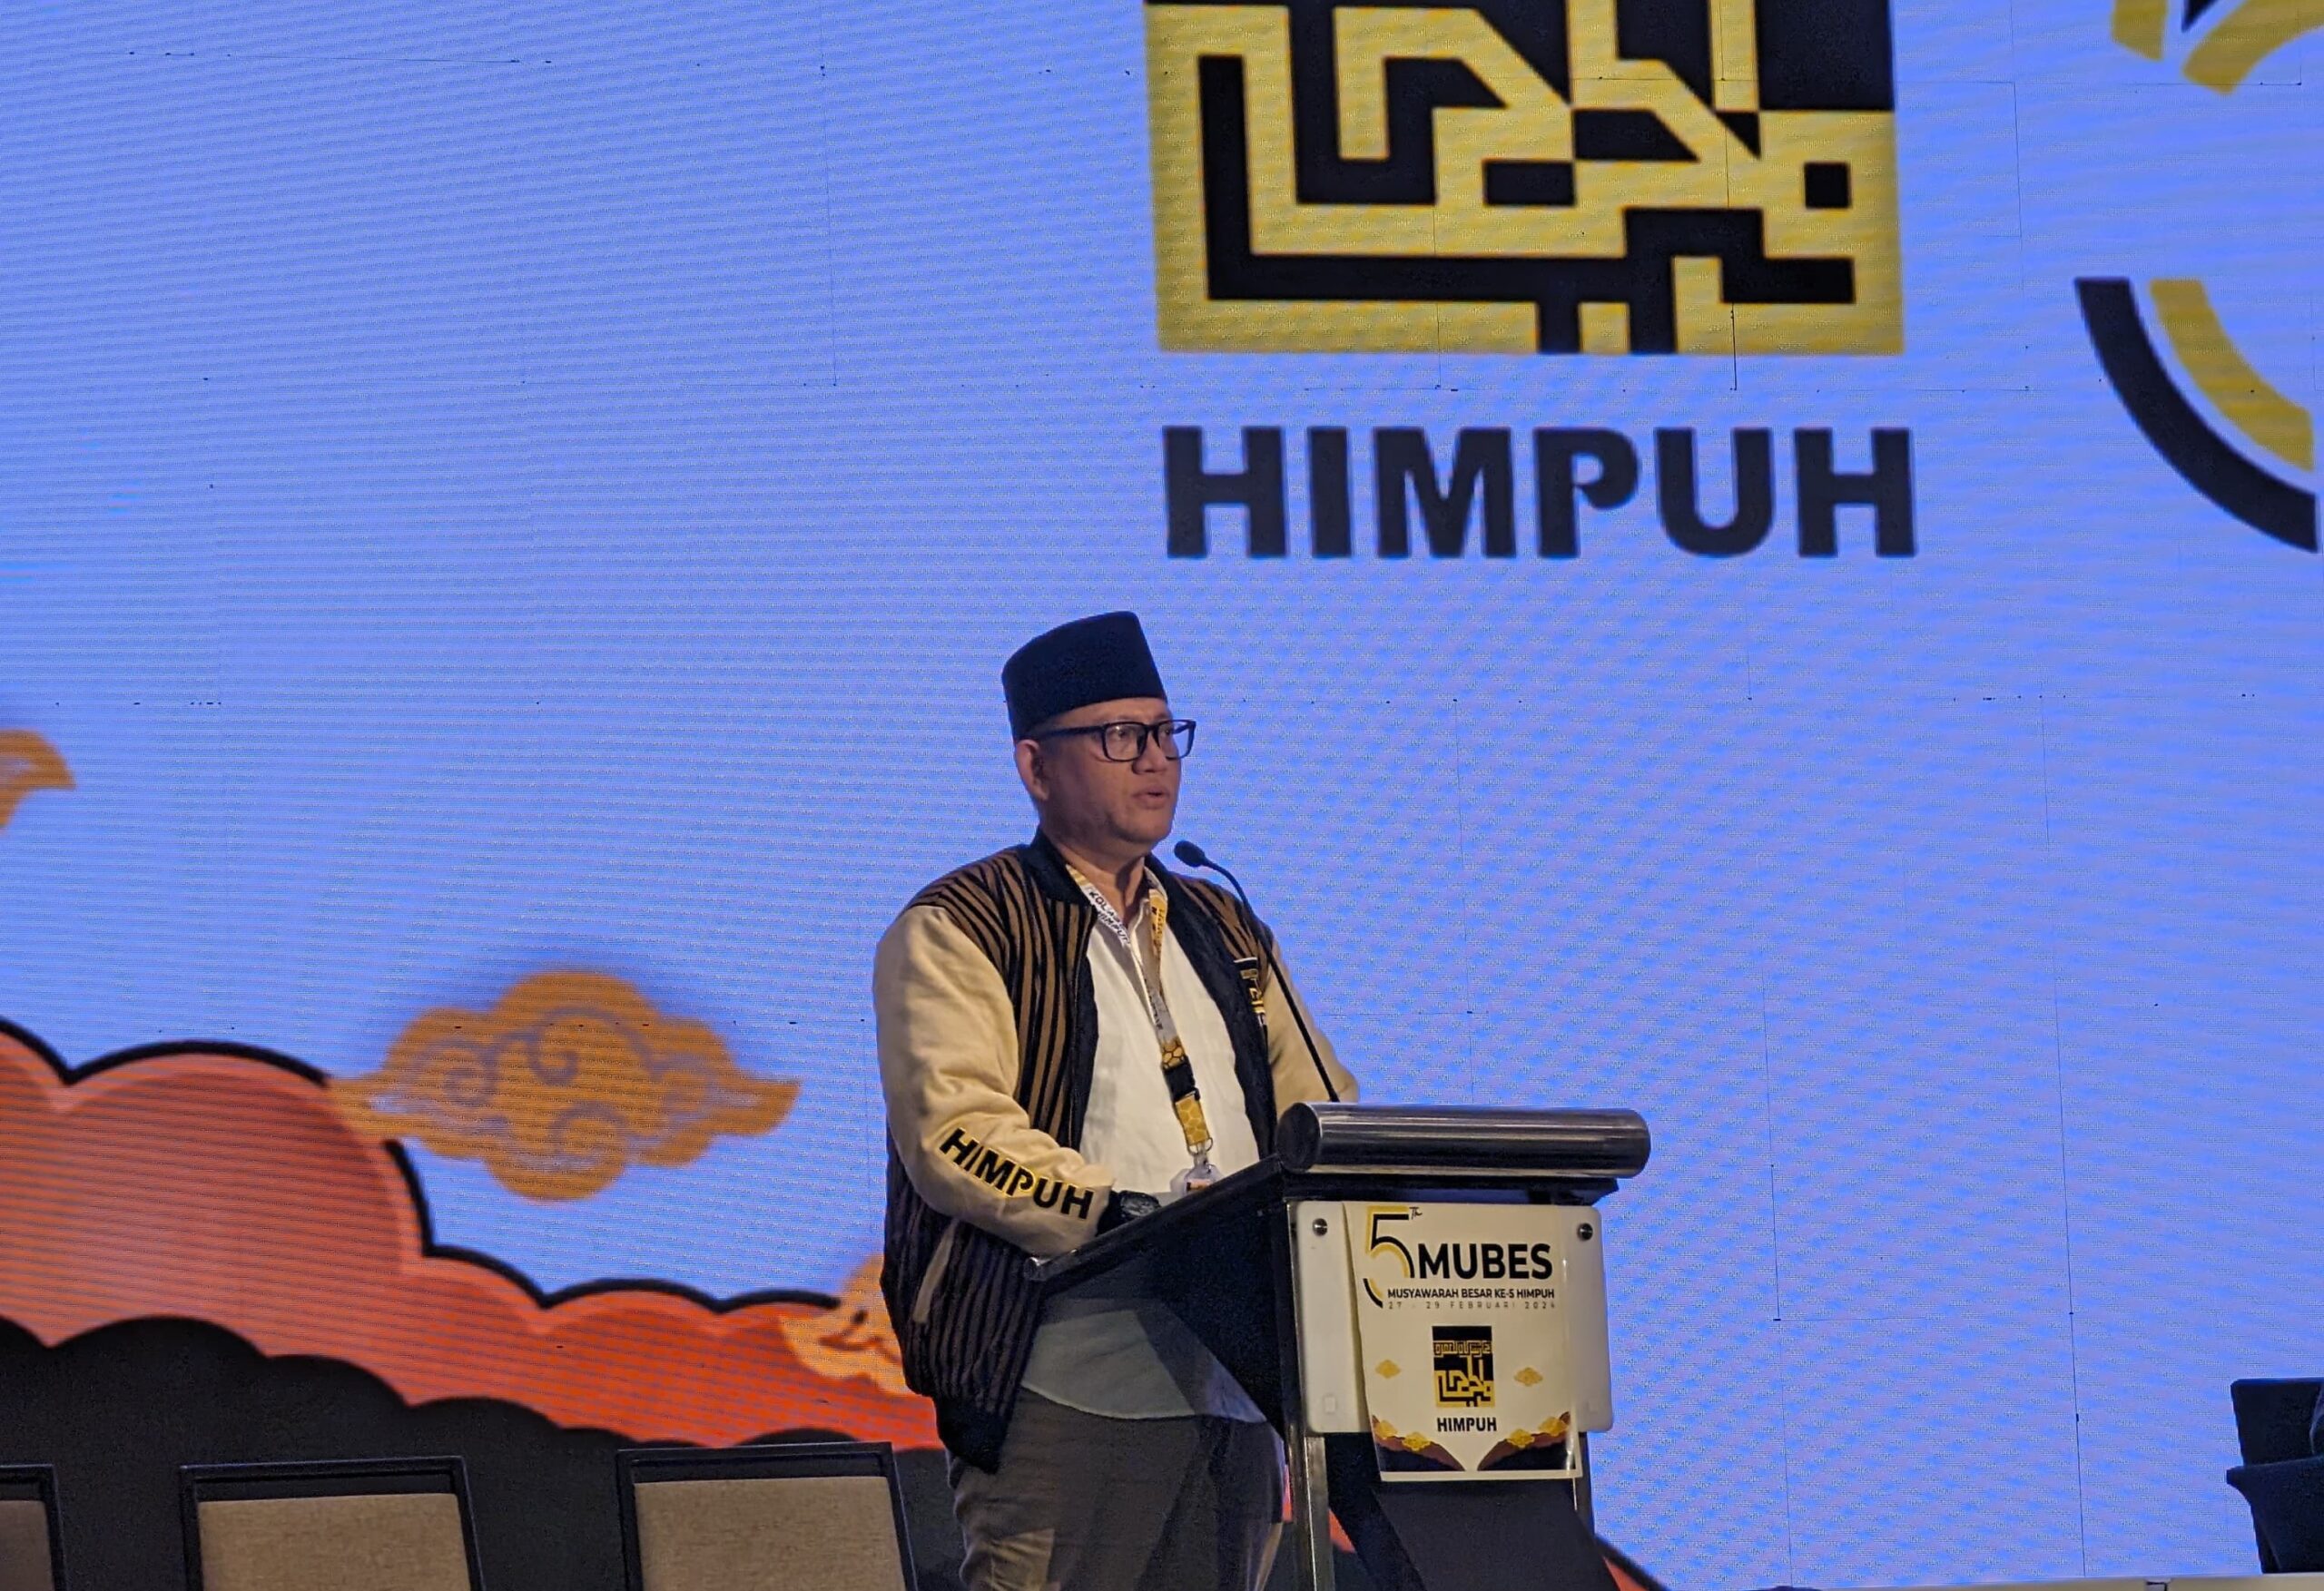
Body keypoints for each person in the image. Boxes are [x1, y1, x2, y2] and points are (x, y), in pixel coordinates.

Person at [876, 611, 1357, 1591]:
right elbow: (955, 1134)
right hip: (1064, 1374)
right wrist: (1120, 1216)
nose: (1155, 759)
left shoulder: (1224, 921)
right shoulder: (963, 923)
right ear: (1036, 766)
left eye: (1166, 732)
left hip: (1234, 1370)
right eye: (1119, 735)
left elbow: (1319, 1109)